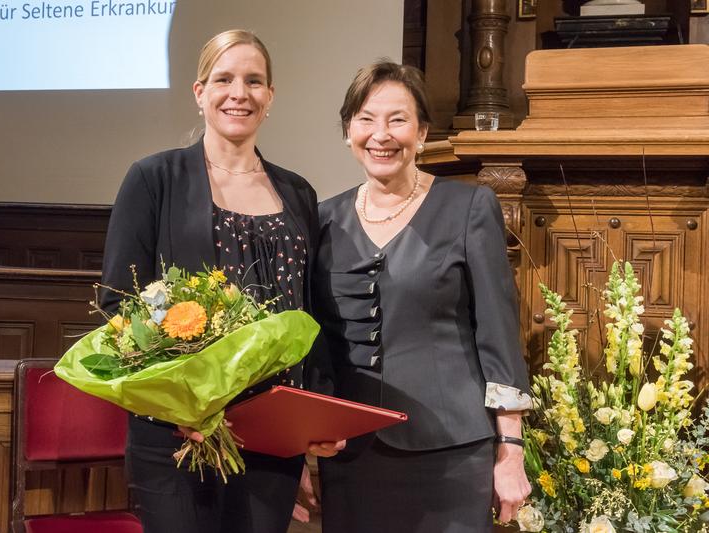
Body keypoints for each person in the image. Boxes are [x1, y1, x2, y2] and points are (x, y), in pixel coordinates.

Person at [100, 29, 338, 533]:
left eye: (254, 81)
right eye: (224, 79)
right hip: (178, 436)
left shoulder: (297, 192)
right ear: (199, 92)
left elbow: (311, 310)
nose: (239, 93)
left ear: (270, 97)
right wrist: (182, 402)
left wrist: (315, 417)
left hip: (273, 436)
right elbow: (118, 306)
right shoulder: (153, 179)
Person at [306, 61, 533, 532]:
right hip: (352, 454)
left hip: (450, 451)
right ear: (349, 129)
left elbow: (498, 334)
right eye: (366, 119)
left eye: (397, 120)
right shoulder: (322, 217)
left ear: (423, 131)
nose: (380, 135)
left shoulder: (469, 207)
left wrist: (511, 451)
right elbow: (318, 340)